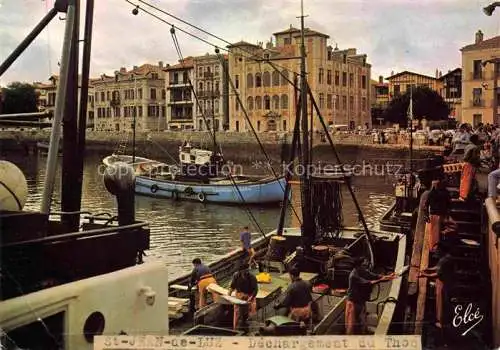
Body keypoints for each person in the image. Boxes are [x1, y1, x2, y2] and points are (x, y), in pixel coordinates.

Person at [345, 257, 396, 335]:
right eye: (363, 264)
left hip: (360, 301)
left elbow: (375, 276)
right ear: (358, 265)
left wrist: (389, 277)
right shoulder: (354, 276)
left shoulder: (362, 271)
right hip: (353, 303)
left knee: (362, 321)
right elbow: (369, 283)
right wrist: (382, 279)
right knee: (351, 325)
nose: (365, 265)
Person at [419, 242, 455, 329]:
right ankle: (443, 321)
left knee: (441, 302)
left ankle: (442, 323)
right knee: (442, 301)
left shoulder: (444, 260)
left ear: (440, 250)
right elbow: (438, 268)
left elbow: (437, 274)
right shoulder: (445, 257)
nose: (435, 252)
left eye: (436, 250)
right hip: (444, 281)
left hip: (445, 283)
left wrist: (424, 275)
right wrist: (428, 269)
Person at [228, 263, 258, 333]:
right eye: (242, 271)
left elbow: (255, 290)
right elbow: (232, 286)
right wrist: (228, 295)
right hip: (239, 295)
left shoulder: (252, 277)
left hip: (250, 295)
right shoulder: (236, 275)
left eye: (246, 271)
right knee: (237, 312)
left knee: (251, 312)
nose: (244, 272)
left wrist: (251, 297)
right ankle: (235, 330)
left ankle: (251, 330)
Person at [424, 175, 451, 253]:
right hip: (440, 214)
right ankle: (436, 247)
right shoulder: (445, 193)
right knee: (437, 233)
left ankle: (434, 248)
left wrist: (426, 215)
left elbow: (426, 205)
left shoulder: (431, 193)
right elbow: (449, 203)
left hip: (436, 215)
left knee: (434, 233)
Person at [458, 134, 481, 201]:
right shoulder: (475, 147)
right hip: (470, 165)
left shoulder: (468, 146)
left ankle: (464, 195)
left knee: (464, 179)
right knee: (468, 180)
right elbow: (474, 158)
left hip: (465, 163)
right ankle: (464, 196)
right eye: (478, 139)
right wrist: (478, 163)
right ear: (475, 140)